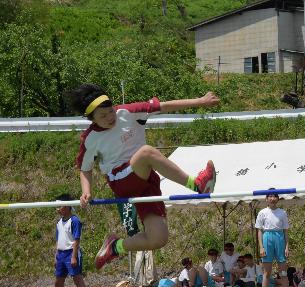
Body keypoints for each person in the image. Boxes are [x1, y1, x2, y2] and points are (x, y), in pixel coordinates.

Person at [67, 84, 219, 270]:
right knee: (146, 152)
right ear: (91, 119)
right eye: (102, 116)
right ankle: (197, 185)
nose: (110, 118)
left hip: (146, 179)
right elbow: (85, 168)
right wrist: (86, 191)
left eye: (110, 112)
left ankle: (115, 246)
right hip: (121, 180)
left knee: (158, 238)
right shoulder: (90, 138)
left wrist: (200, 101)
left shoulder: (127, 112)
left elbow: (163, 106)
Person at [51, 194, 89, 287]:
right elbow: (58, 240)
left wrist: (73, 257)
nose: (58, 209)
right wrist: (56, 256)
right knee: (58, 281)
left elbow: (76, 239)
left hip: (71, 253)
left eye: (60, 206)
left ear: (67, 206)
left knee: (77, 278)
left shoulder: (75, 220)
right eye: (56, 207)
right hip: (61, 255)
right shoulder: (59, 223)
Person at [255, 189, 292, 287]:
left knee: (283, 272)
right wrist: (261, 247)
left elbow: (286, 231)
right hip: (267, 238)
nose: (272, 198)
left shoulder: (282, 213)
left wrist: (286, 246)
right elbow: (259, 231)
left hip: (279, 238)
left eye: (274, 196)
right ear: (266, 199)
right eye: (270, 196)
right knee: (267, 272)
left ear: (278, 198)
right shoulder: (262, 212)